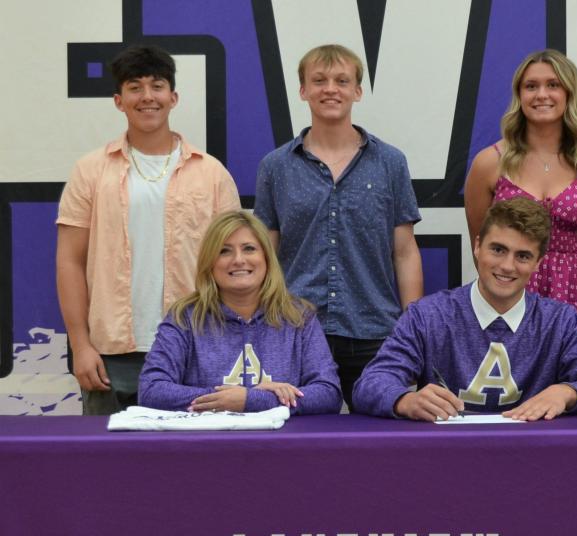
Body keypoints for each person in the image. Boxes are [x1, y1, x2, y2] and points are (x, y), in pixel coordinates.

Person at [56, 45, 241, 415]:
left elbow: (234, 266)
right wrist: (81, 345)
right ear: (118, 100)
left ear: (173, 97)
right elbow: (69, 261)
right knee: (106, 468)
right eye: (134, 87)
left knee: (188, 468)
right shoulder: (91, 171)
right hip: (110, 354)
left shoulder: (211, 173)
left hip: (195, 347)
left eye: (157, 86)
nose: (147, 97)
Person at [254, 44, 422, 410]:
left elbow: (405, 250)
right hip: (295, 328)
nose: (330, 89)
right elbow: (264, 250)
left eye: (341, 81)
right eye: (319, 80)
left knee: (380, 441)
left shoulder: (390, 162)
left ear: (357, 92)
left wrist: (412, 327)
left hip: (374, 329)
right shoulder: (275, 166)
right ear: (302, 90)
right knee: (295, 440)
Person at [353, 198, 577, 421]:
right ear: (477, 246)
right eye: (498, 249)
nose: (507, 266)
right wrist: (405, 400)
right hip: (445, 461)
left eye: (523, 256)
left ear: (539, 264)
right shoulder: (427, 316)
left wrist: (567, 392)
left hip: (534, 462)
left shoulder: (560, 321)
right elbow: (369, 384)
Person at [464, 49, 577, 363]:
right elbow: (481, 246)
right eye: (531, 86)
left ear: (568, 94)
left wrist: (570, 274)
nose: (541, 94)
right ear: (519, 95)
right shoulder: (490, 162)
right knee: (513, 385)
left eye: (553, 85)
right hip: (513, 289)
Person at [139, 211, 342, 414]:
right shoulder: (184, 317)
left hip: (280, 443)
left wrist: (254, 400)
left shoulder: (299, 317)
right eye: (224, 251)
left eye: (249, 249)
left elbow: (329, 393)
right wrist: (229, 400)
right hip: (207, 443)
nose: (238, 260)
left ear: (266, 258)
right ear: (210, 262)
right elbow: (151, 390)